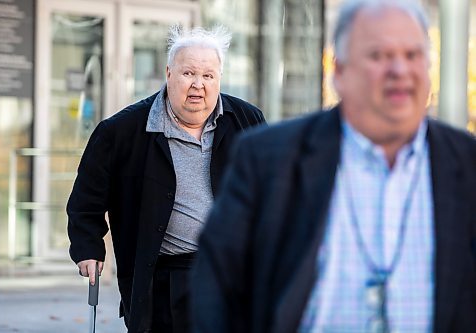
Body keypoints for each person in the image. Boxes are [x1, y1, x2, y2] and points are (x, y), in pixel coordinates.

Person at [191, 1, 476, 332]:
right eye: (379, 55)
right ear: (340, 73)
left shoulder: (467, 166)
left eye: (413, 55)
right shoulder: (269, 158)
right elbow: (217, 288)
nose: (399, 69)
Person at [67, 25, 265, 333]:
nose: (198, 84)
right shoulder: (122, 131)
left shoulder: (247, 120)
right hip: (164, 280)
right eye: (188, 74)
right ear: (168, 72)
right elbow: (86, 201)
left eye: (208, 76)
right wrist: (87, 247)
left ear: (219, 79)